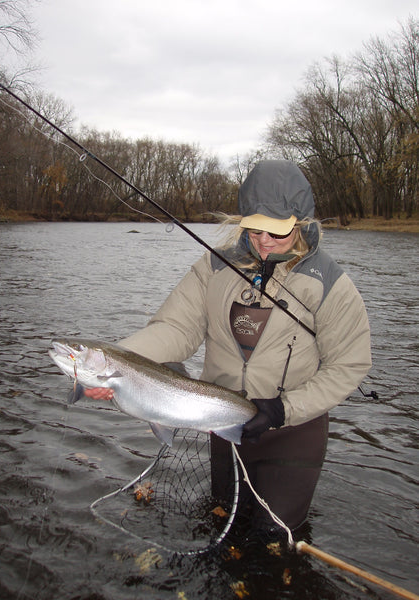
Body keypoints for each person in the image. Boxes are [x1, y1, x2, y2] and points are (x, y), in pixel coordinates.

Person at [86, 159, 372, 539]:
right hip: (220, 422)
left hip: (293, 431)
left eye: (277, 231)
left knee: (275, 537)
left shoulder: (331, 283)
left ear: (301, 223)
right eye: (254, 228)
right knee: (226, 526)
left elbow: (348, 365)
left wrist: (283, 409)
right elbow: (174, 329)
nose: (264, 240)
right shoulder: (214, 267)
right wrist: (113, 363)